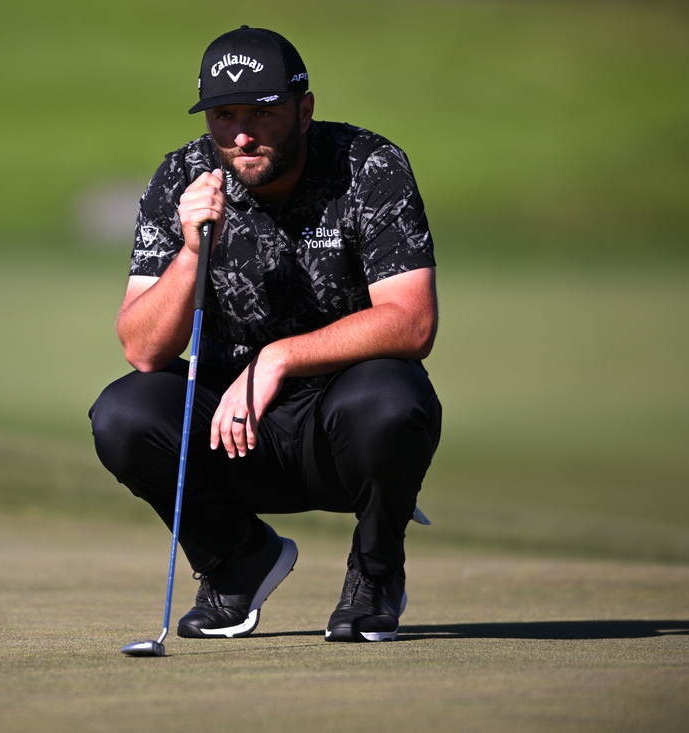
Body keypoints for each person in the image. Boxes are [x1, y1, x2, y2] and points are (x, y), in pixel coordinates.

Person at [89, 26, 441, 642]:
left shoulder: (369, 167)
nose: (243, 135)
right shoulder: (183, 178)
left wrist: (278, 357)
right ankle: (237, 558)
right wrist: (193, 252)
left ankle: (376, 569)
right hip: (233, 429)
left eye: (263, 113)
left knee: (393, 400)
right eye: (225, 116)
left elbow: (412, 322)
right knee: (122, 414)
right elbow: (143, 348)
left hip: (340, 429)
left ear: (305, 111)